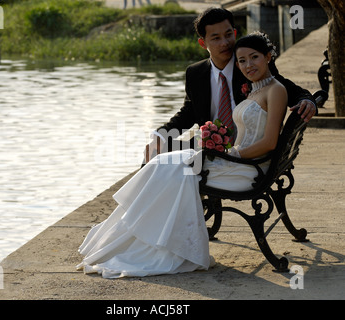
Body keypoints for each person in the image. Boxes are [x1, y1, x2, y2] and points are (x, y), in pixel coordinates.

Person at [76, 32, 288, 278]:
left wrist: (232, 154)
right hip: (237, 160)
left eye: (254, 58)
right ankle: (137, 231)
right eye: (241, 60)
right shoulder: (254, 89)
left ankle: (154, 240)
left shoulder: (276, 90)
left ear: (268, 57)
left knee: (171, 169)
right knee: (162, 164)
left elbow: (270, 142)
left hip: (247, 168)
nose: (248, 65)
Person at [144, 7, 316, 164]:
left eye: (228, 35)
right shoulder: (195, 73)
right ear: (203, 43)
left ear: (235, 33)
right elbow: (189, 112)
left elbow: (287, 88)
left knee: (173, 168)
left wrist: (306, 99)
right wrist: (161, 134)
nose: (225, 42)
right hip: (209, 144)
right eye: (216, 38)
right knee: (154, 152)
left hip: (244, 148)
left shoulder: (250, 67)